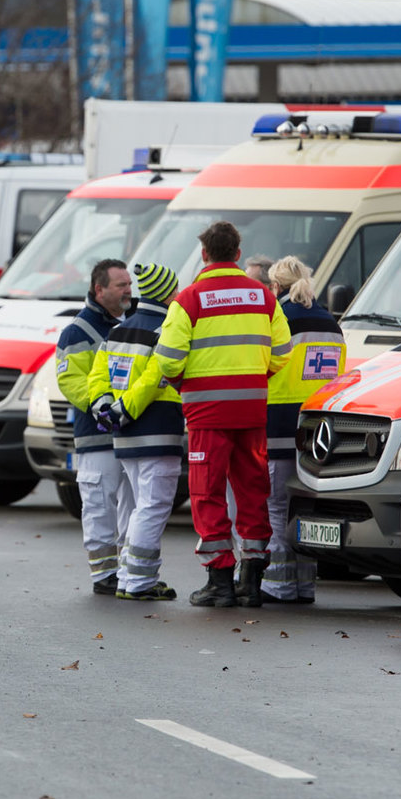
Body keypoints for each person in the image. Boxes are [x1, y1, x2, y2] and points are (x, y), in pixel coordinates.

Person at [150, 221, 290, 608]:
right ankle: (251, 581)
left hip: (207, 414)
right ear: (238, 254)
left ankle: (219, 582)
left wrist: (186, 385)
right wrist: (253, 378)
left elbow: (167, 359)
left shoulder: (189, 299)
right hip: (251, 411)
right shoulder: (263, 297)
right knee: (252, 492)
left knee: (207, 492)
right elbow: (282, 352)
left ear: (204, 254)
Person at [91, 262, 186, 601]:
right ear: (165, 294)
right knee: (153, 506)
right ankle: (140, 582)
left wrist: (107, 409)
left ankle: (131, 577)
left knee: (139, 507)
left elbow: (98, 378)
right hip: (158, 431)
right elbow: (153, 379)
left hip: (125, 436)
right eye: (174, 290)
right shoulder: (166, 330)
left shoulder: (117, 332)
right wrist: (126, 409)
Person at [261, 256, 344, 604]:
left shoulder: (277, 321)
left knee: (277, 508)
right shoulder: (331, 324)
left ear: (275, 286)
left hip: (278, 427)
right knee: (306, 512)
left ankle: (278, 584)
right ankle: (305, 586)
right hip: (317, 435)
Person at [56, 259, 133, 594]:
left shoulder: (135, 322)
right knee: (100, 504)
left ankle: (131, 571)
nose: (128, 290)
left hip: (133, 431)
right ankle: (104, 575)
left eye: (129, 284)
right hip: (97, 433)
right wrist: (103, 406)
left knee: (133, 505)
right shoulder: (77, 331)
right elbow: (70, 379)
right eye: (120, 285)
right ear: (99, 289)